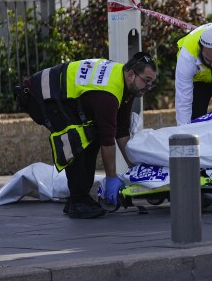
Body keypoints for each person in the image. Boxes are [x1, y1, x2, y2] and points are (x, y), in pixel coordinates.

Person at [15, 52, 158, 219]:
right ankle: (78, 201)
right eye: (147, 81)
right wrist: (111, 178)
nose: (148, 87)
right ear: (132, 74)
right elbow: (108, 140)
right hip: (38, 97)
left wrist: (135, 167)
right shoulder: (108, 94)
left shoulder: (126, 87)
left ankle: (77, 199)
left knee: (91, 134)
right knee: (76, 139)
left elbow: (122, 131)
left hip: (57, 96)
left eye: (152, 83)